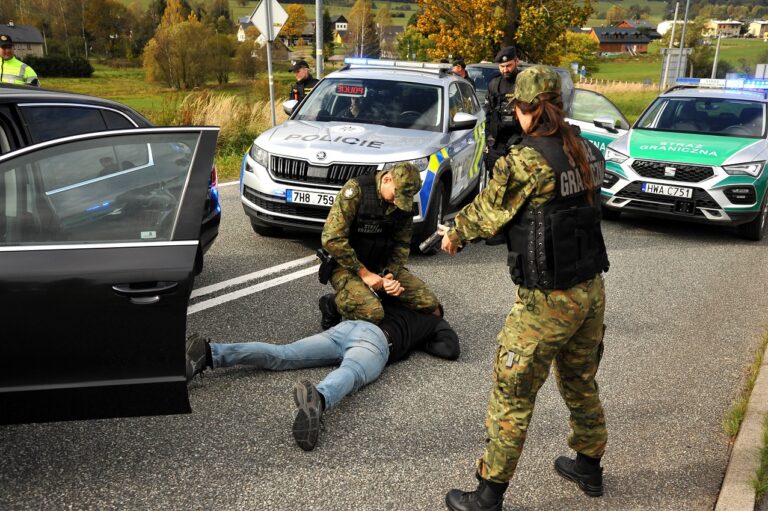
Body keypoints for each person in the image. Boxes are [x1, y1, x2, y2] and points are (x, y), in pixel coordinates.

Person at [439, 65, 610, 510]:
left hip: (547, 302)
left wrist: (455, 234)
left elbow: (487, 212)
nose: (514, 112)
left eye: (517, 106)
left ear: (527, 108)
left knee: (512, 393)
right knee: (580, 380)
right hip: (590, 291)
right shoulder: (588, 151)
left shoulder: (528, 161)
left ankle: (488, 494)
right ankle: (589, 465)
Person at [185, 297, 460, 451]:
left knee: (283, 354)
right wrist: (420, 340)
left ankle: (210, 352)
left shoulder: (393, 297)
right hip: (378, 341)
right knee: (352, 371)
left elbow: (333, 299)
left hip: (348, 327)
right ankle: (319, 398)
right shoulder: (434, 320)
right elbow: (450, 350)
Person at [321, 162, 442, 324]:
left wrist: (390, 273)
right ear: (386, 180)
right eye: (396, 196)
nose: (397, 203)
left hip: (381, 265)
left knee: (429, 303)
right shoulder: (356, 191)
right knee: (372, 313)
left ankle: (381, 298)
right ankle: (333, 304)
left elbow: (402, 245)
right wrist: (365, 274)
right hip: (347, 266)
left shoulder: (402, 204)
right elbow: (331, 239)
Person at [484, 46, 521, 174]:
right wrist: (488, 140)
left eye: (509, 65)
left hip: (519, 143)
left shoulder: (525, 83)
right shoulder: (494, 84)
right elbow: (488, 114)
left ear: (516, 61)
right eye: (502, 66)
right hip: (497, 144)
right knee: (495, 180)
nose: (505, 70)